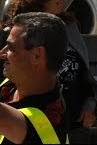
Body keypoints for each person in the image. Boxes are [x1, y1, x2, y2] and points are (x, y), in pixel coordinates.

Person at [3, 0, 97, 137]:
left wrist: (92, 102)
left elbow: (83, 74)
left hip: (72, 125)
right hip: (26, 125)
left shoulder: (69, 28)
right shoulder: (12, 36)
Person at [0, 12, 68, 144]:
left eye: (11, 47)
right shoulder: (12, 84)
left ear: (37, 55)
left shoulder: (48, 119)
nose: (2, 53)